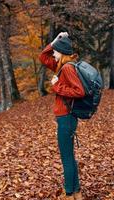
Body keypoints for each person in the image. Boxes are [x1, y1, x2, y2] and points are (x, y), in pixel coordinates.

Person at [39, 32, 84, 200]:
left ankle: (69, 193)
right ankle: (77, 192)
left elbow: (79, 91)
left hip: (66, 117)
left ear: (62, 53)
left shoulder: (67, 68)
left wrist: (57, 86)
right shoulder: (60, 66)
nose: (53, 54)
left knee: (66, 157)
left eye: (56, 51)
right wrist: (55, 40)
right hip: (66, 116)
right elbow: (42, 56)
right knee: (69, 156)